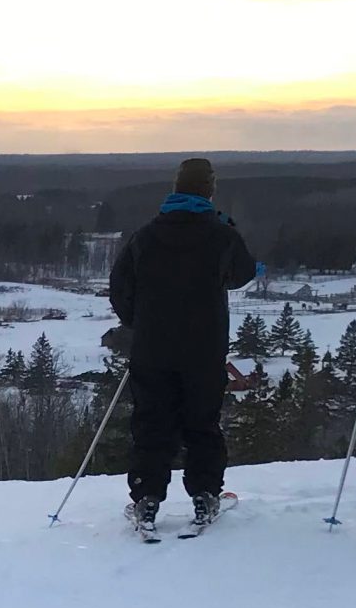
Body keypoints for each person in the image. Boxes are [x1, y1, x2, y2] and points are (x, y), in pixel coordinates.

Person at [108, 157, 256, 534]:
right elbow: (243, 273)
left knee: (151, 423)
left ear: (175, 189)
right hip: (204, 350)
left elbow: (120, 289)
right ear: (210, 190)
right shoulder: (221, 234)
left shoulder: (145, 236)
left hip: (152, 348)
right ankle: (205, 496)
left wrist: (138, 323)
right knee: (202, 424)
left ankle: (146, 499)